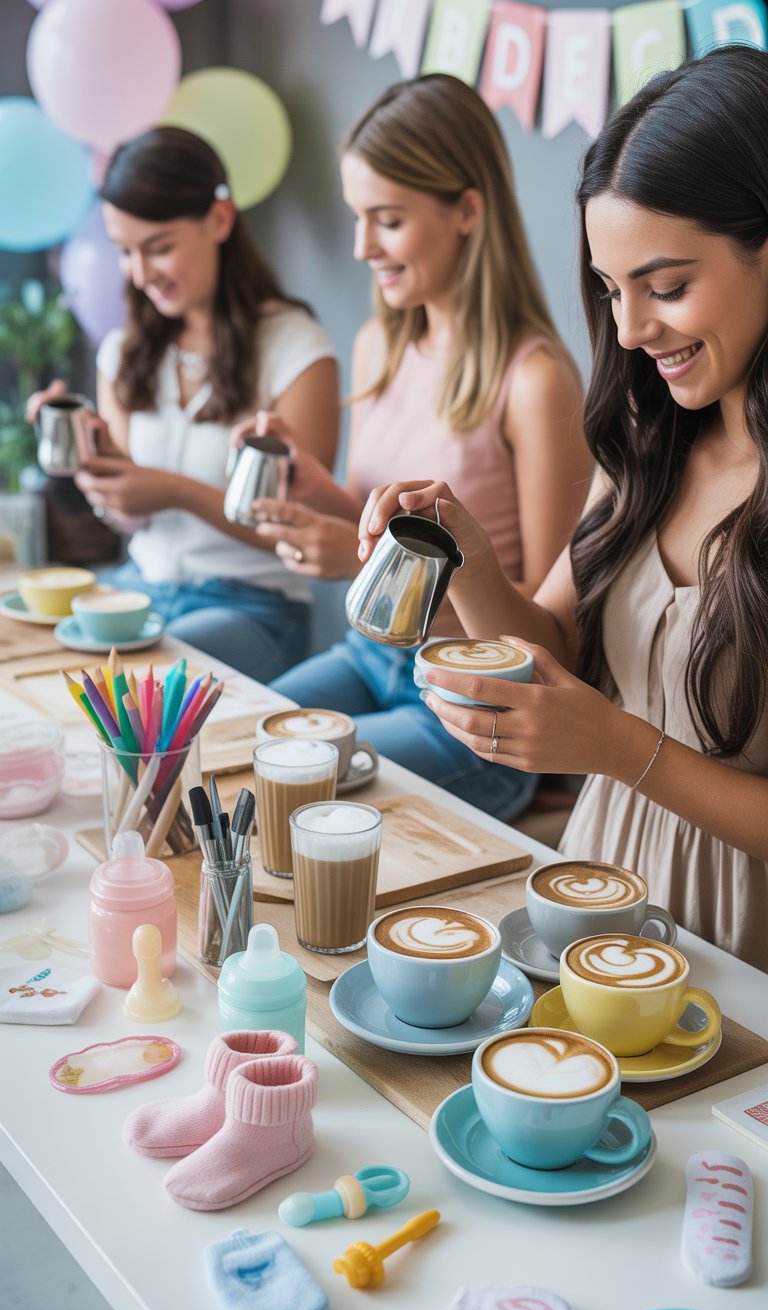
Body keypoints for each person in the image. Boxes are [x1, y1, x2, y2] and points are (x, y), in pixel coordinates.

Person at [359, 45, 768, 970]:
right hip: (596, 910)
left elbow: (608, 734)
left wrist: (619, 745)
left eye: (666, 287)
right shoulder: (651, 434)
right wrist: (465, 556)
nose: (628, 331)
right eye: (612, 290)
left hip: (742, 951)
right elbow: (551, 647)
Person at [247, 74, 591, 819]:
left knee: (291, 780)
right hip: (367, 658)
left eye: (387, 219)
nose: (361, 245)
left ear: (467, 211)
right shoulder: (380, 345)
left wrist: (361, 563)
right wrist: (312, 488)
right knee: (235, 737)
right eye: (357, 217)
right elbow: (383, 523)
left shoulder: (534, 382)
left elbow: (550, 637)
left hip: (468, 707)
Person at [27, 126, 340, 679]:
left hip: (252, 607)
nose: (141, 274)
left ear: (219, 221)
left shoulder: (295, 348)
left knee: (133, 679)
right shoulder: (124, 352)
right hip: (142, 587)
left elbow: (304, 533)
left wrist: (175, 490)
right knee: (38, 662)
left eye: (160, 247)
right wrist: (96, 465)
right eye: (124, 251)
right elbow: (127, 521)